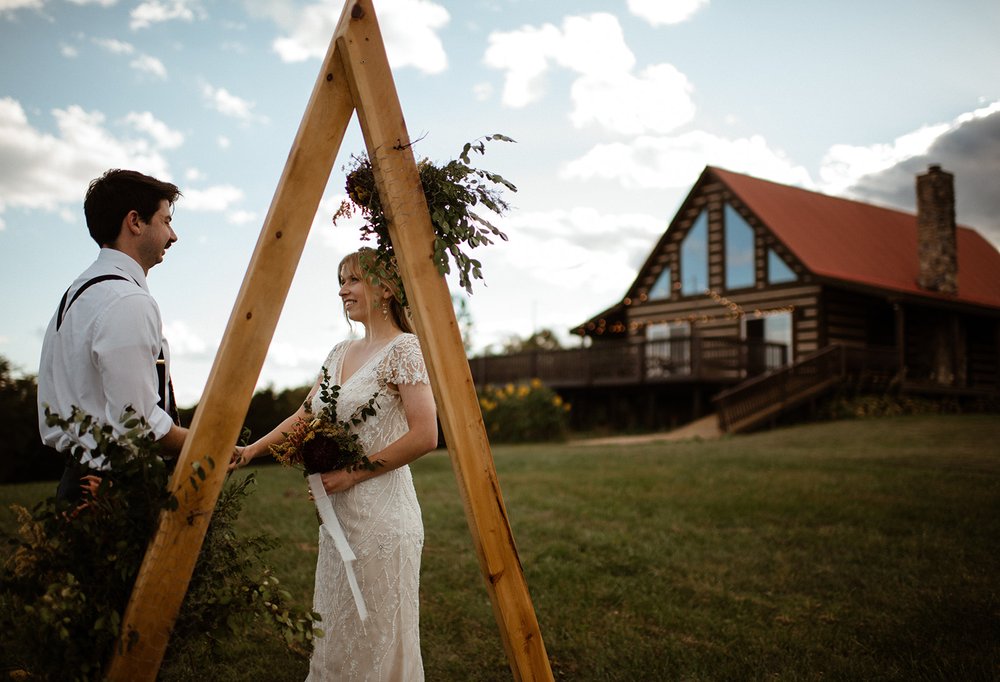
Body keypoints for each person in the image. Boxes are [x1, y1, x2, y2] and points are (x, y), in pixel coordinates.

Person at [232, 248, 438, 681]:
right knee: (339, 631)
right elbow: (305, 416)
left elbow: (425, 436)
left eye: (352, 280)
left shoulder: (406, 350)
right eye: (340, 282)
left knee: (380, 633)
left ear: (385, 287)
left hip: (385, 517)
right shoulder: (339, 352)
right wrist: (251, 451)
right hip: (338, 518)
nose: (342, 290)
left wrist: (350, 475)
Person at [37, 169, 188, 502]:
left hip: (77, 482)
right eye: (165, 221)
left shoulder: (77, 295)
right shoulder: (126, 301)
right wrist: (208, 448)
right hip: (113, 492)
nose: (173, 235)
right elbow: (142, 425)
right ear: (135, 222)